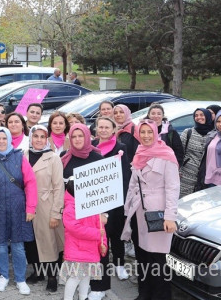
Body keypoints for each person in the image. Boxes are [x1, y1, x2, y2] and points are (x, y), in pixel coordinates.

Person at [121, 119, 181, 300]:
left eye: (150, 132)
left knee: (157, 259)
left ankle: (161, 296)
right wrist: (128, 209)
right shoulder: (140, 153)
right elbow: (133, 184)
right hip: (139, 213)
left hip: (158, 215)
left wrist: (170, 216)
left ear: (156, 133)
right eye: (143, 132)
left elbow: (173, 187)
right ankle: (144, 292)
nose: (146, 136)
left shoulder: (166, 155)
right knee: (142, 256)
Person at [0, 127, 37, 294]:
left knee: (18, 245)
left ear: (9, 139)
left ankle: (20, 278)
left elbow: (30, 183)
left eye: (4, 138)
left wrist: (30, 208)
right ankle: (4, 275)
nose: (1, 141)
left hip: (18, 207)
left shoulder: (19, 157)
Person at [88, 117, 132, 300]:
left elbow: (125, 177)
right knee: (99, 240)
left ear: (114, 129)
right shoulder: (90, 146)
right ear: (97, 129)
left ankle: (120, 264)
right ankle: (100, 280)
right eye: (101, 127)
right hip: (94, 203)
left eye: (107, 127)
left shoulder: (120, 148)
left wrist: (121, 202)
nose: (103, 130)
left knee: (115, 235)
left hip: (114, 202)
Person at [23, 125, 64, 293]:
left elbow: (58, 187)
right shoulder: (23, 155)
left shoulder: (53, 158)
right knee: (31, 242)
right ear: (30, 138)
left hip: (46, 205)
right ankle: (38, 272)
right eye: (36, 136)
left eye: (42, 136)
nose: (39, 140)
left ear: (47, 139)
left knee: (49, 243)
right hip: (26, 205)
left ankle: (52, 276)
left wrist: (56, 213)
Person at [61, 179, 107, 300]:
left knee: (86, 277)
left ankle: (83, 297)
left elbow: (101, 229)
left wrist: (103, 246)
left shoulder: (93, 207)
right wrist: (96, 234)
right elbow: (75, 228)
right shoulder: (70, 208)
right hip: (78, 251)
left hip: (90, 251)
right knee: (75, 277)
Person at [179, 109, 213, 197]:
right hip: (186, 177)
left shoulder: (214, 135)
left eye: (202, 115)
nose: (199, 117)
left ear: (208, 117)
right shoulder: (188, 132)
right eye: (196, 115)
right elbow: (179, 153)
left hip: (206, 178)